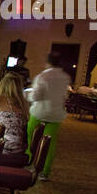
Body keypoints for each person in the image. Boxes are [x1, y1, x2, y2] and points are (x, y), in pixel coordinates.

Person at [25, 52, 73, 180]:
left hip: (39, 112)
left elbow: (36, 96)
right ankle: (44, 172)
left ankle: (29, 162)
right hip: (56, 114)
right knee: (49, 144)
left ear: (47, 62)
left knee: (31, 139)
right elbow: (64, 95)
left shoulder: (43, 76)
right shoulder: (65, 77)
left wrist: (27, 94)